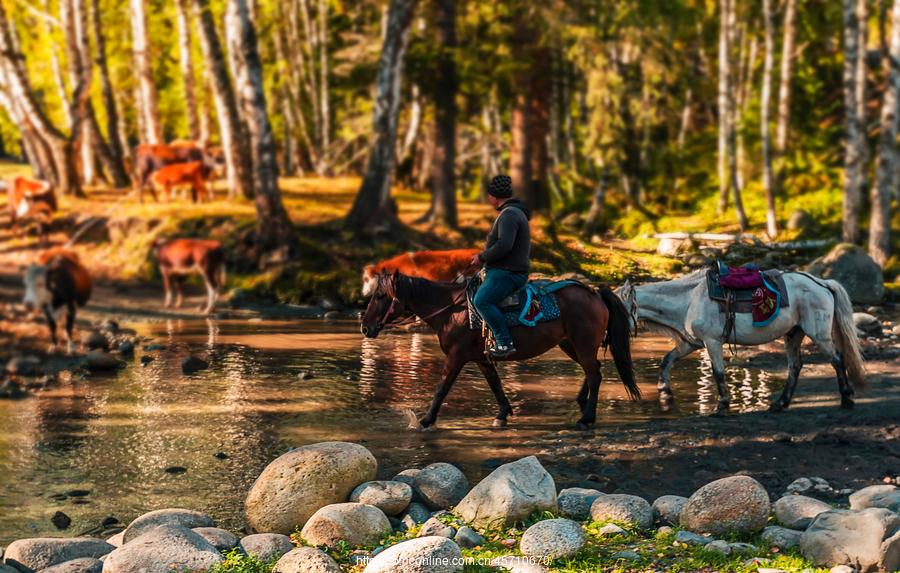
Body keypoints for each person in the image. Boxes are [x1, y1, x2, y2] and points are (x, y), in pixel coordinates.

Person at [471, 175, 531, 358]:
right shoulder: (512, 212)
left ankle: (504, 342)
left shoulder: (509, 215)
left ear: (494, 197)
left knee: (481, 300)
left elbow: (505, 245)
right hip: (505, 270)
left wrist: (482, 257)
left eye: (488, 195)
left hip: (508, 273)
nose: (487, 199)